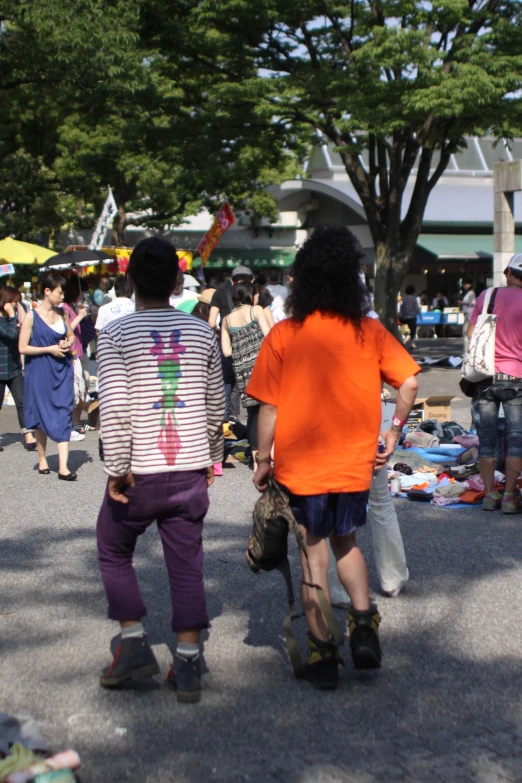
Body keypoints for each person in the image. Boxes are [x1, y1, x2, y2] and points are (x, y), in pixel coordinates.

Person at [247, 226, 419, 690]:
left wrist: (262, 459)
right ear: (351, 279)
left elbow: (269, 406)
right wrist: (393, 431)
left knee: (313, 561)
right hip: (354, 464)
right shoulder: (370, 331)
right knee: (348, 544)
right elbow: (409, 384)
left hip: (301, 467)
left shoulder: (284, 334)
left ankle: (323, 654)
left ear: (303, 279)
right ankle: (363, 626)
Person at [96, 237, 225, 702]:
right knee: (187, 564)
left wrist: (117, 468)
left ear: (129, 280)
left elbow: (113, 408)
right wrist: (213, 457)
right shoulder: (201, 333)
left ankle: (133, 644)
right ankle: (187, 663)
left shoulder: (113, 334)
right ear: (177, 280)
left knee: (112, 547)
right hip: (189, 466)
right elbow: (215, 405)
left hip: (139, 472)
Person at [468, 254, 522, 513]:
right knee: (516, 440)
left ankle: (490, 496)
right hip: (517, 379)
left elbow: (470, 333)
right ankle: (510, 497)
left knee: (486, 439)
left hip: (485, 377)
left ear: (508, 272)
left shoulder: (487, 296)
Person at [19, 273, 78, 480]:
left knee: (64, 412)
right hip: (40, 371)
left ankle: (63, 467)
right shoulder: (31, 316)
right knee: (41, 414)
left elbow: (71, 336)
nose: (63, 296)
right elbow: (23, 347)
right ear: (47, 291)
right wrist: (48, 349)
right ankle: (42, 458)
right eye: (60, 292)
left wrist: (66, 343)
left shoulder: (62, 314)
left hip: (61, 370)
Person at [221, 283, 271, 462]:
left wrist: (242, 352)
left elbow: (226, 351)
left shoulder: (226, 319)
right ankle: (268, 455)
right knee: (268, 408)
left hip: (241, 369)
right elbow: (269, 335)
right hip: (261, 365)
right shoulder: (255, 310)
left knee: (251, 412)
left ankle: (255, 456)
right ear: (250, 294)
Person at [209, 266, 254, 423]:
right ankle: (247, 423)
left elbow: (211, 322)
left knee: (226, 382)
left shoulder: (219, 293)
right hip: (250, 348)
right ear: (252, 279)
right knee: (249, 388)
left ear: (231, 279)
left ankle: (225, 421)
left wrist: (221, 334)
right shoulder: (253, 292)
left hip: (227, 346)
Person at [0, 286, 37, 451]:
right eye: (14, 302)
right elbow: (12, 335)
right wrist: (12, 316)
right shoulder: (7, 318)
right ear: (5, 301)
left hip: (14, 367)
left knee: (22, 401)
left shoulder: (11, 318)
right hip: (0, 369)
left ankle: (28, 434)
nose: (16, 305)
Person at [62, 278, 89, 440]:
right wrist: (79, 317)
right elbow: (66, 330)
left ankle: (76, 421)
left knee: (83, 388)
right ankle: (73, 423)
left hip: (80, 352)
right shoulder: (64, 307)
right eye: (82, 291)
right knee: (75, 390)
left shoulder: (72, 306)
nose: (83, 294)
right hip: (71, 354)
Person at [399, 285, 421, 349]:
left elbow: (402, 307)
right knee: (413, 331)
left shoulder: (404, 299)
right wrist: (420, 314)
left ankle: (412, 343)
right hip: (412, 317)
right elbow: (417, 308)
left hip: (405, 317)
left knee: (411, 331)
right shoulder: (414, 299)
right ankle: (404, 343)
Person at [459, 278, 476, 350]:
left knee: (466, 332)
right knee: (466, 333)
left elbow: (473, 303)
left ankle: (467, 350)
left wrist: (463, 303)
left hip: (469, 314)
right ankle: (467, 350)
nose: (465, 286)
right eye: (464, 284)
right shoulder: (467, 293)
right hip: (467, 314)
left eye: (466, 284)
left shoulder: (471, 293)